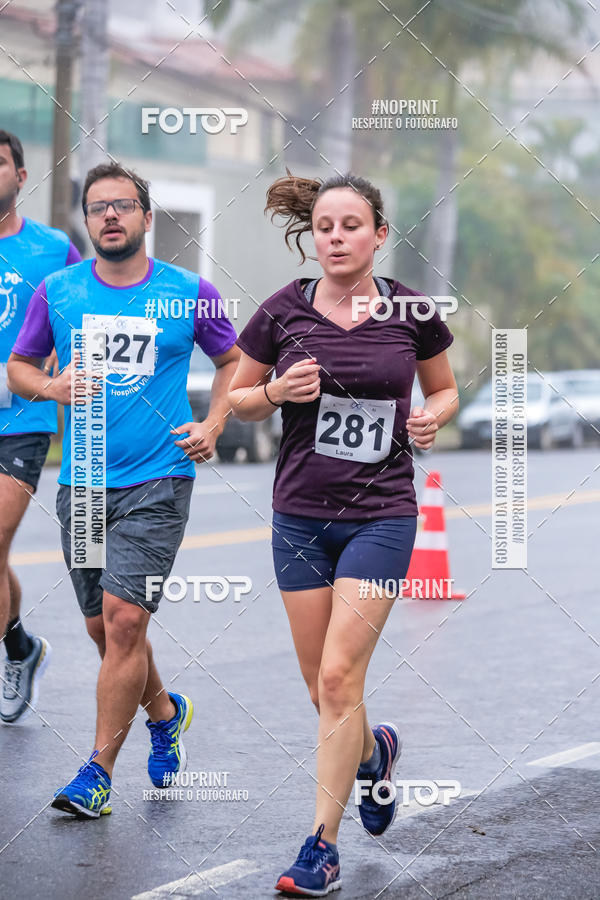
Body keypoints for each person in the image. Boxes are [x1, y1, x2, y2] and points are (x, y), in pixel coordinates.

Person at [228, 172, 459, 896]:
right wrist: (273, 392)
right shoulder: (282, 311)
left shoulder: (412, 312)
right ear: (313, 235)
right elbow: (238, 401)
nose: (335, 237)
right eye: (325, 225)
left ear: (379, 234)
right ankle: (374, 755)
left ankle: (320, 847)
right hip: (299, 517)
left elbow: (444, 387)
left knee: (338, 677)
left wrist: (434, 416)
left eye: (351, 224)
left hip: (383, 517)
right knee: (320, 686)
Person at [8, 161, 239, 817]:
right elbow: (20, 366)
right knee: (104, 631)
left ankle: (96, 773)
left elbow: (233, 362)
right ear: (87, 221)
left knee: (125, 620)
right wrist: (49, 387)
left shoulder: (189, 292)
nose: (109, 215)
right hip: (81, 483)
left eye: (123, 205)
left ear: (146, 216)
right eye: (97, 207)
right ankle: (165, 714)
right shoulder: (57, 290)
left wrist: (215, 420)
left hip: (159, 480)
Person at [0, 129, 81, 725]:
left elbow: (92, 305)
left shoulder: (53, 249)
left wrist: (69, 367)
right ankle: (20, 650)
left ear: (20, 177)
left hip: (22, 418)